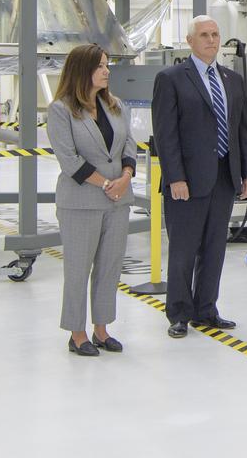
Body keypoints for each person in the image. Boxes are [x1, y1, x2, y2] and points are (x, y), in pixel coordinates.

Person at [152, 16, 247, 338]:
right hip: (187, 181)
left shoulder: (232, 80)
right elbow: (165, 135)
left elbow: (243, 131)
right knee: (183, 249)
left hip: (224, 178)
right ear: (190, 41)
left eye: (215, 34)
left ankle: (206, 309)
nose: (211, 40)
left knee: (214, 248)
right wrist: (175, 178)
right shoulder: (171, 79)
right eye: (204, 35)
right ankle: (179, 313)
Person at [48, 44, 138, 356]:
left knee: (109, 267)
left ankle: (102, 329)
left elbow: (129, 145)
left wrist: (125, 176)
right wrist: (106, 184)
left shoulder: (116, 106)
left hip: (118, 200)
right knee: (78, 269)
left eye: (107, 65)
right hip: (81, 201)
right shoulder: (61, 110)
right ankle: (77, 333)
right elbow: (69, 160)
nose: (107, 71)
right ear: (82, 70)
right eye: (100, 65)